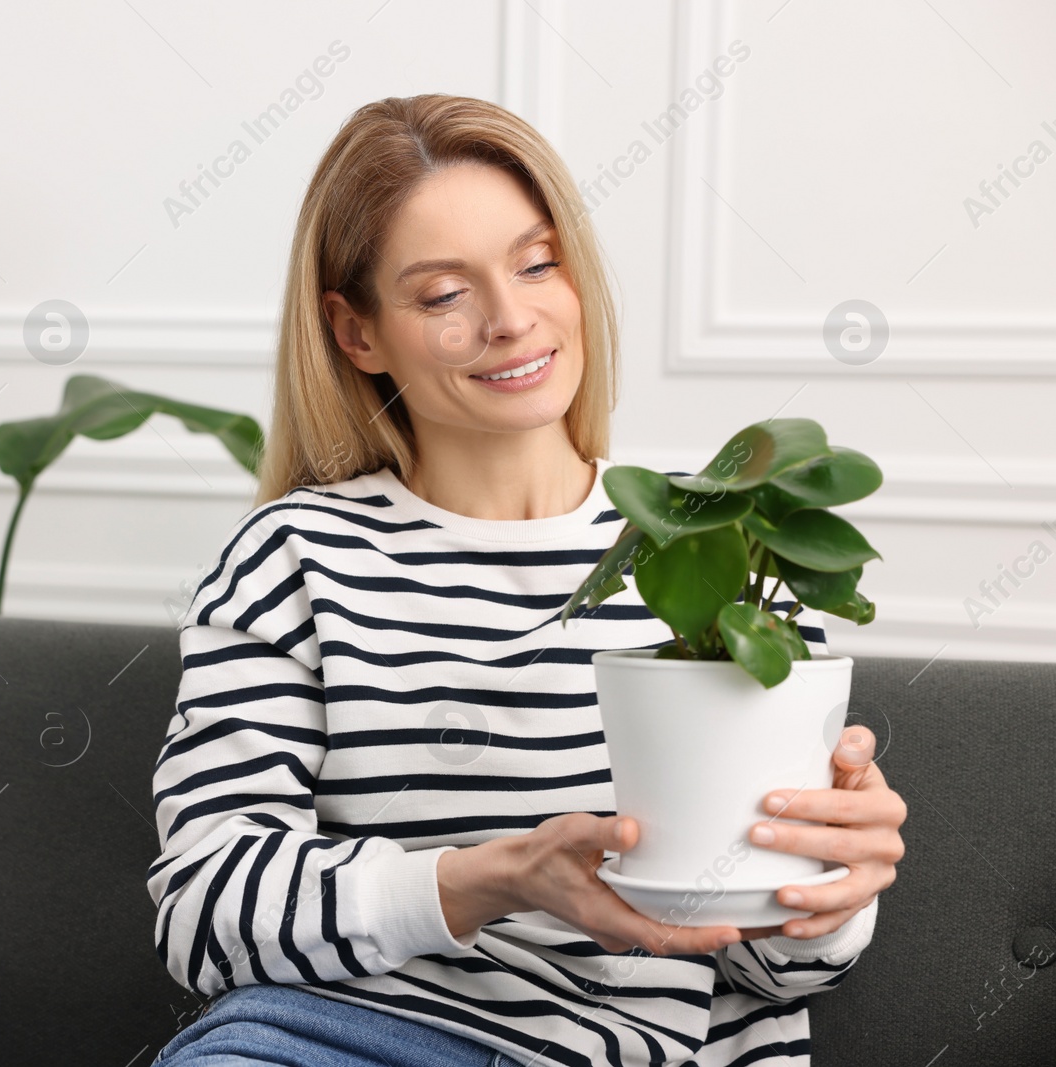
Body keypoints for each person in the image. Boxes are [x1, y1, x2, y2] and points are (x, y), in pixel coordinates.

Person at [147, 93, 907, 1067]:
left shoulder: (717, 544)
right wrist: (490, 877)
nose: (510, 319)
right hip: (351, 1042)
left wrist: (830, 891)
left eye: (536, 262)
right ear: (357, 332)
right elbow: (204, 910)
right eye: (441, 294)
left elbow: (775, 973)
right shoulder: (291, 559)